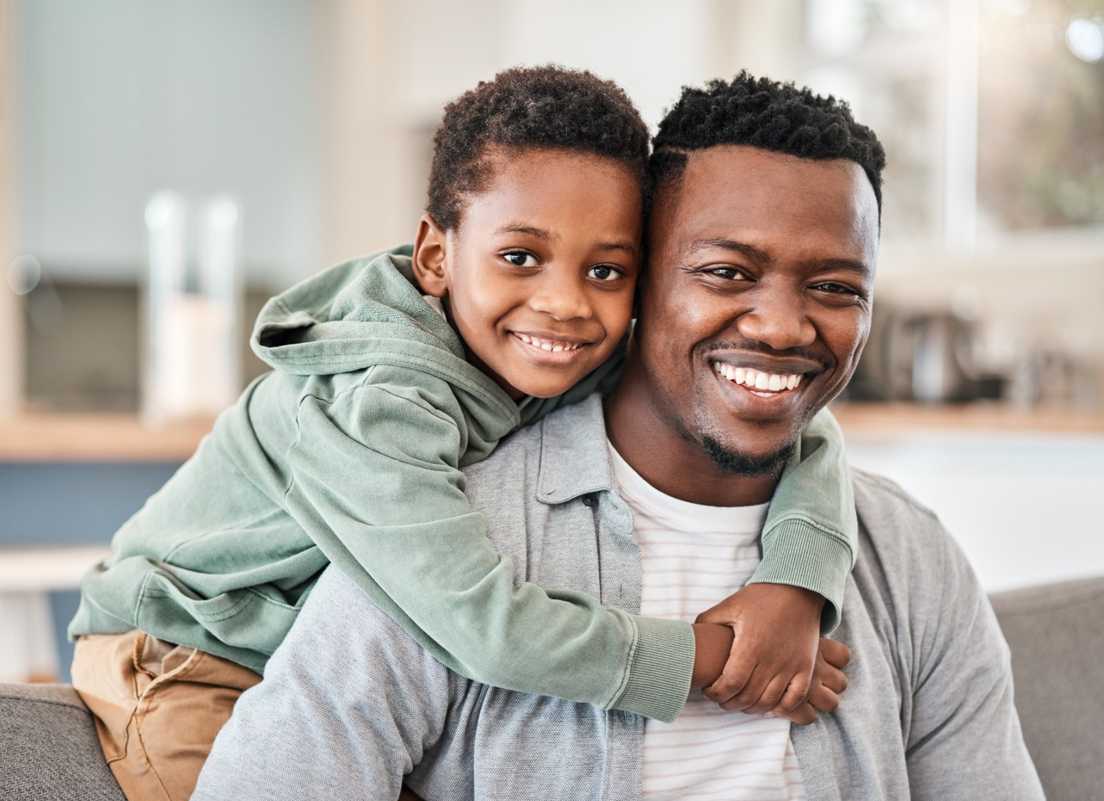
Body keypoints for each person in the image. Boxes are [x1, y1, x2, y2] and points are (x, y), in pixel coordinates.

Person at [192, 73, 1045, 801]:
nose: (785, 327)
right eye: (726, 273)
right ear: (638, 278)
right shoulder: (448, 540)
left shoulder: (908, 557)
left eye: (834, 286)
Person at [68, 68, 859, 801]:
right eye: (520, 256)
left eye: (606, 270)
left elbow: (802, 431)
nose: (565, 303)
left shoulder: (555, 351)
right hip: (186, 651)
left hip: (315, 657)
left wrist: (795, 584)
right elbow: (482, 625)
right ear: (435, 256)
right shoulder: (379, 404)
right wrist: (709, 656)